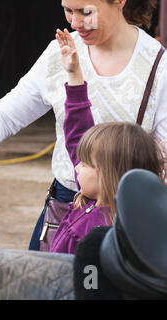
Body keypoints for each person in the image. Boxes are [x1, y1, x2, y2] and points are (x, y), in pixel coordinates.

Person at [0, 0, 167, 251]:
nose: (75, 22)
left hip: (125, 215)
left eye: (86, 12)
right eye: (68, 10)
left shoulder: (158, 65)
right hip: (64, 208)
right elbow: (8, 112)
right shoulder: (61, 52)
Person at [50, 29, 165, 254]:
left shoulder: (95, 234)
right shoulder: (106, 207)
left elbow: (89, 284)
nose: (77, 166)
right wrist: (74, 76)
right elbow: (77, 135)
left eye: (84, 164)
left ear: (107, 172)